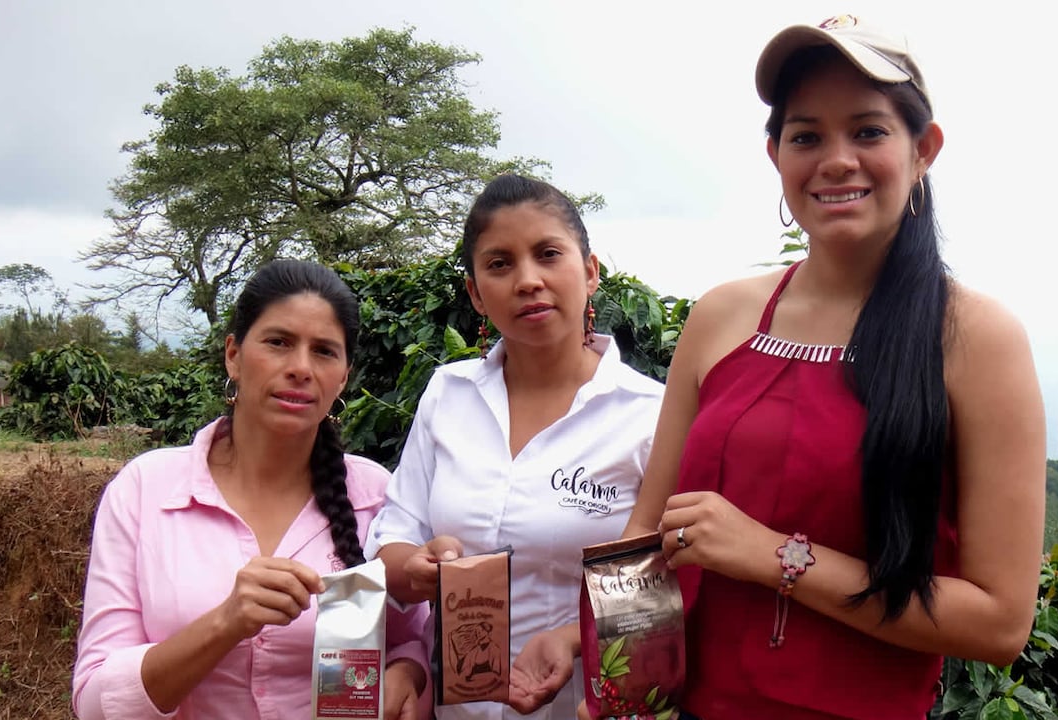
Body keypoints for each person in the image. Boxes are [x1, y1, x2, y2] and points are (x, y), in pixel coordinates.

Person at [619, 14, 1048, 720]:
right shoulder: (722, 316)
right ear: (775, 155)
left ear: (924, 149)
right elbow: (647, 532)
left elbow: (1000, 623)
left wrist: (774, 556)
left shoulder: (975, 338)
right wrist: (606, 668)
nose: (836, 159)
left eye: (869, 130)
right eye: (807, 135)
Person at [72, 260, 431, 720]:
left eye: (323, 351)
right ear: (233, 355)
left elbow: (412, 637)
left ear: (343, 377)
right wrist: (226, 622)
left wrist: (407, 672)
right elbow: (95, 701)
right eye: (278, 342)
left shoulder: (376, 495)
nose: (301, 368)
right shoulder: (145, 490)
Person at [366, 173, 665, 720]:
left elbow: (675, 582)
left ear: (591, 271)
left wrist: (575, 636)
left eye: (548, 254)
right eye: (500, 264)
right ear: (477, 293)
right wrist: (416, 565)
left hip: (586, 706)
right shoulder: (447, 395)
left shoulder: (650, 415)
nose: (528, 280)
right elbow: (396, 532)